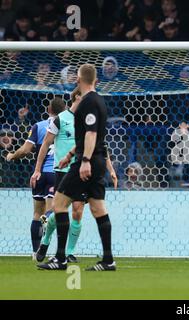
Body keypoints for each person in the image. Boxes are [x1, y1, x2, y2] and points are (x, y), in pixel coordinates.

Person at [37, 64, 115, 271]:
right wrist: (70, 155)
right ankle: (108, 260)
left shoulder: (88, 102)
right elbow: (91, 135)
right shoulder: (99, 101)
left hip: (87, 161)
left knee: (60, 204)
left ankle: (60, 259)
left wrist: (84, 160)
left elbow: (90, 134)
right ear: (96, 80)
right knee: (98, 208)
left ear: (78, 81)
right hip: (95, 159)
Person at [6, 98, 66, 260]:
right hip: (57, 173)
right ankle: (55, 250)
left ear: (48, 110)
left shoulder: (38, 126)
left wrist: (12, 156)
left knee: (36, 214)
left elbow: (25, 150)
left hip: (39, 174)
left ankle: (35, 252)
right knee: (55, 212)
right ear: (65, 110)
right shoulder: (67, 125)